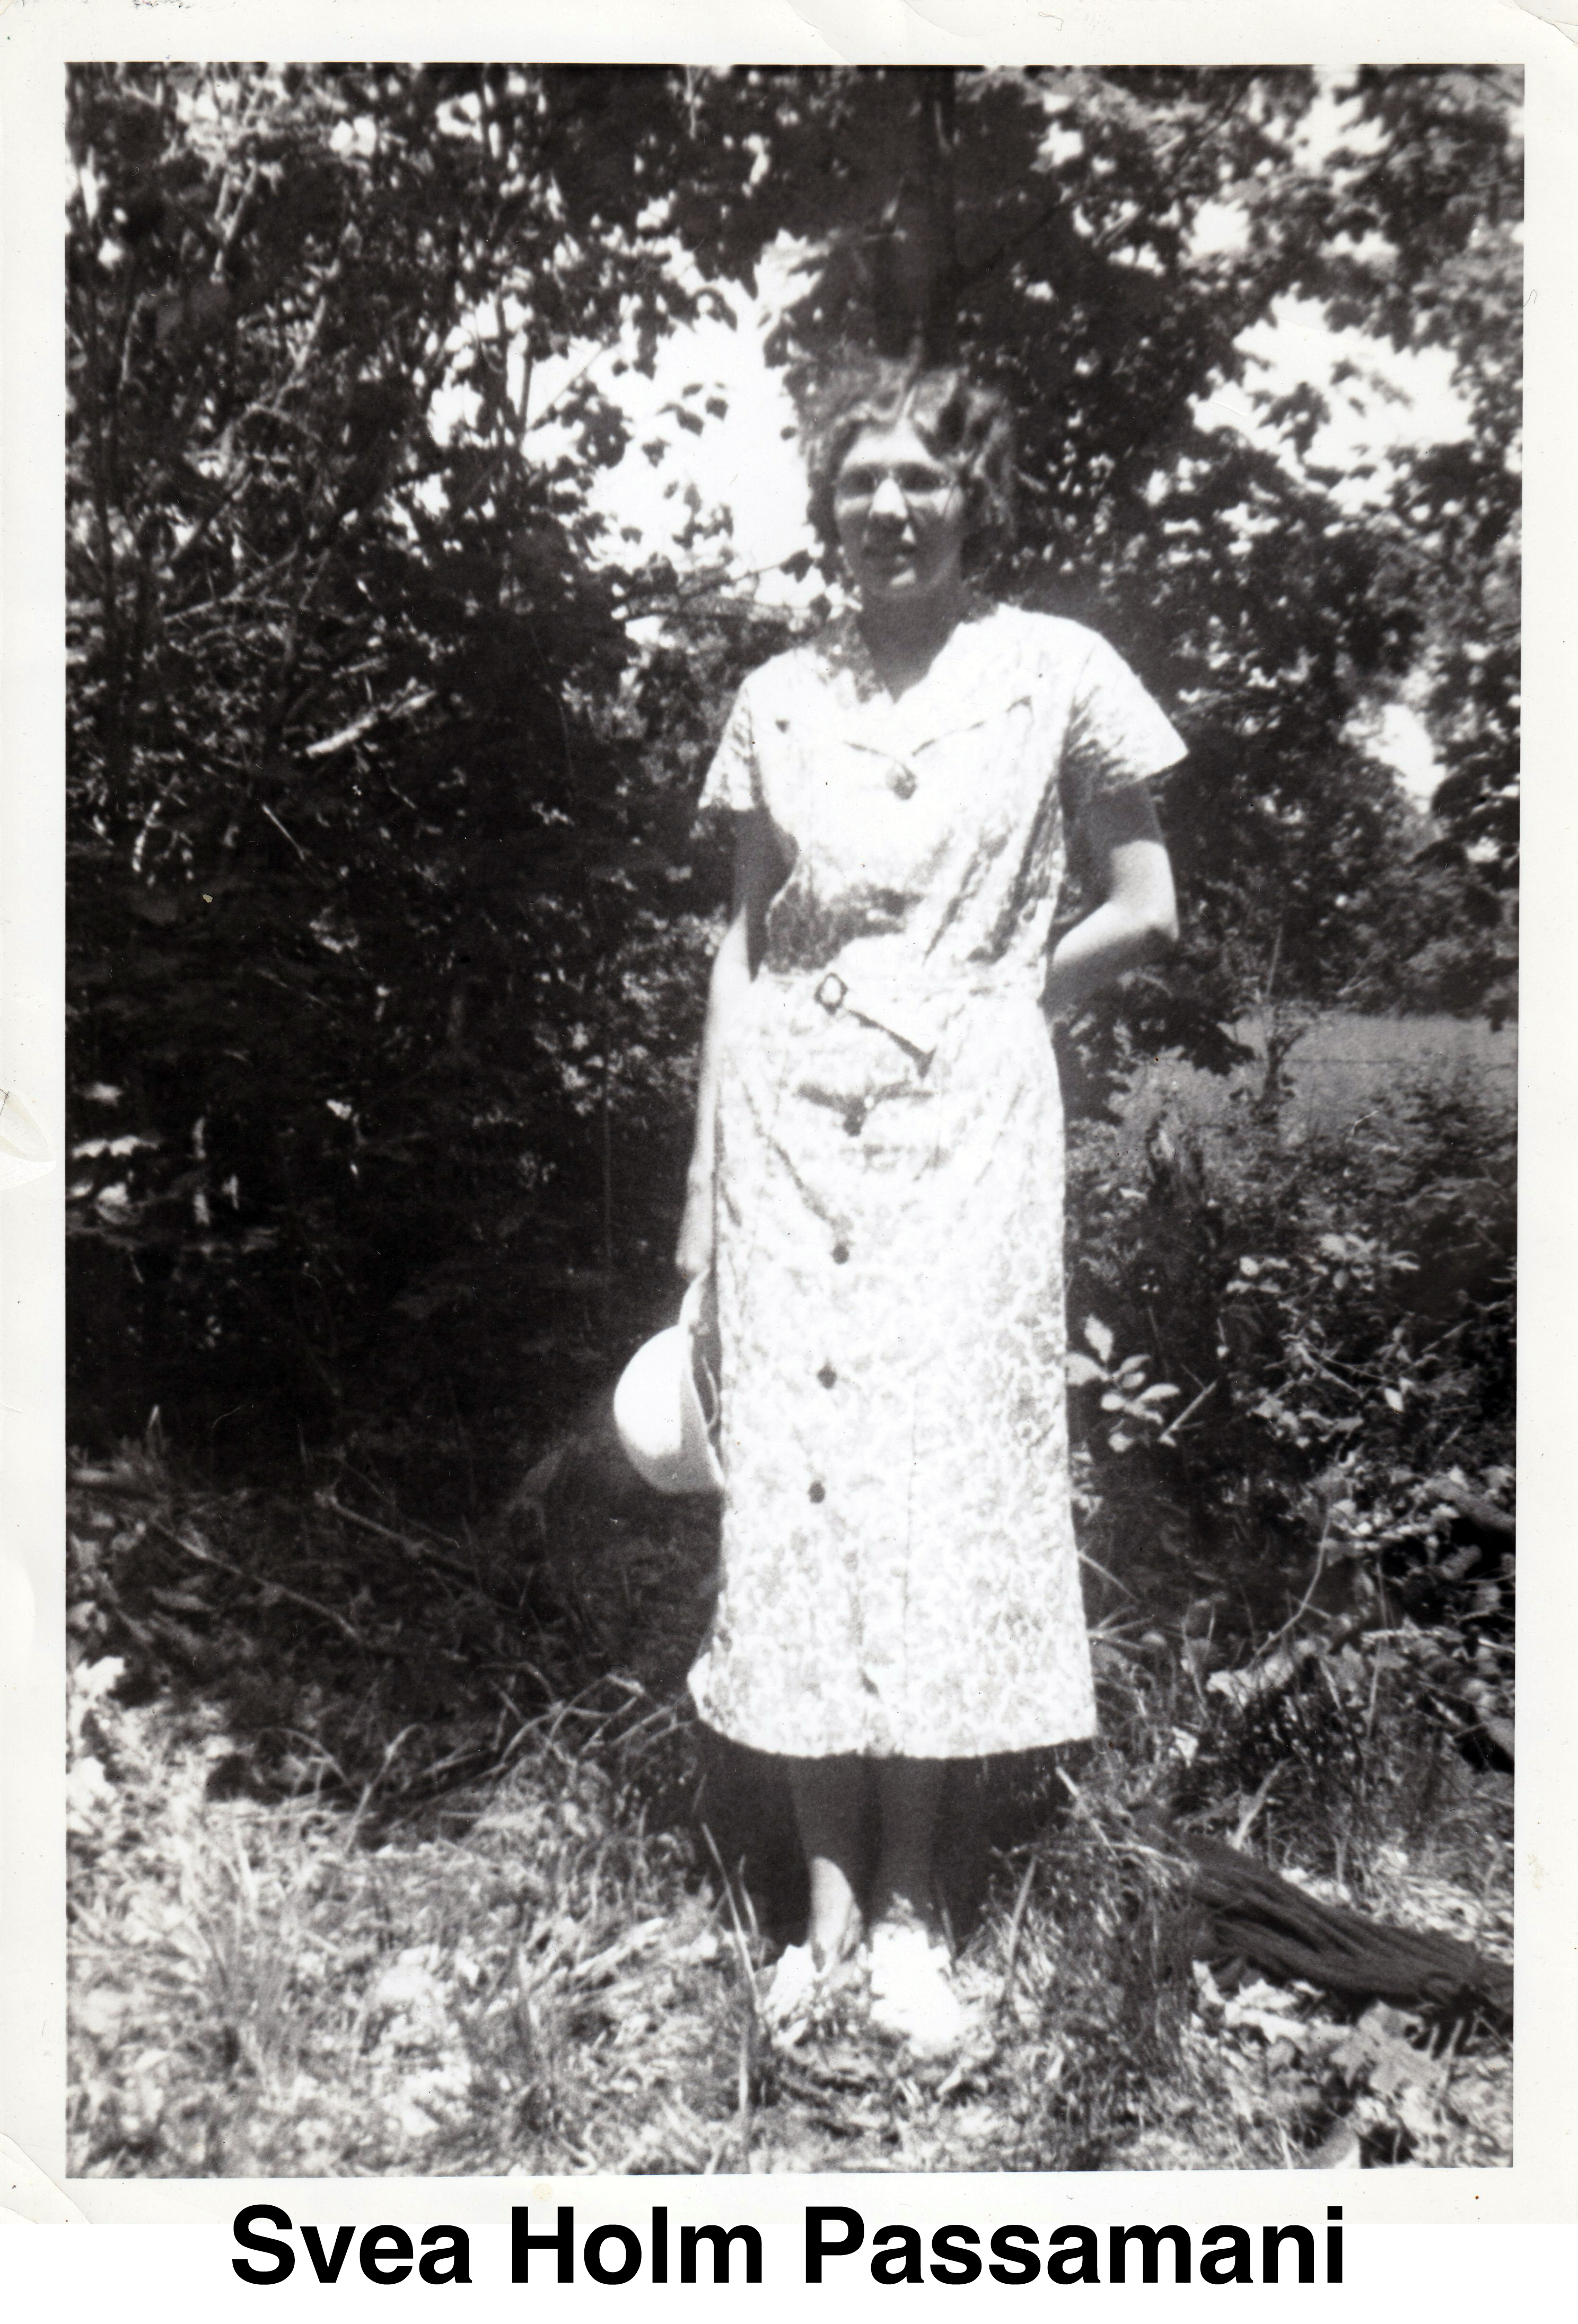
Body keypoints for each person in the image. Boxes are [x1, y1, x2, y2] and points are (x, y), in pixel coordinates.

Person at [674, 356, 1182, 2054]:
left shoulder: (1057, 675)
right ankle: (820, 1916)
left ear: (979, 498)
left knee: (945, 1493)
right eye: (860, 481)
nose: (888, 508)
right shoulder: (777, 698)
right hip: (788, 1138)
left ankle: (920, 1920)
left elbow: (1147, 905)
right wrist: (700, 1221)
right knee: (807, 1500)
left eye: (924, 479)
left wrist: (987, 1000)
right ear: (826, 507)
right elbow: (741, 952)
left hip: (971, 1124)